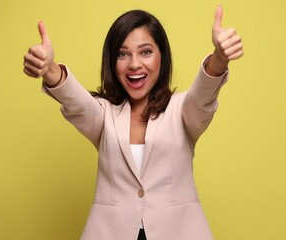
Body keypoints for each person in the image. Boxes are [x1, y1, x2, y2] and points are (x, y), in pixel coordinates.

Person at [23, 6, 243, 240]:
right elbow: (77, 102)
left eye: (146, 52)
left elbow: (203, 93)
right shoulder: (103, 114)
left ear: (162, 57)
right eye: (122, 54)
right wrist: (50, 69)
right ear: (112, 62)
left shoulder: (183, 110)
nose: (134, 64)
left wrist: (219, 58)